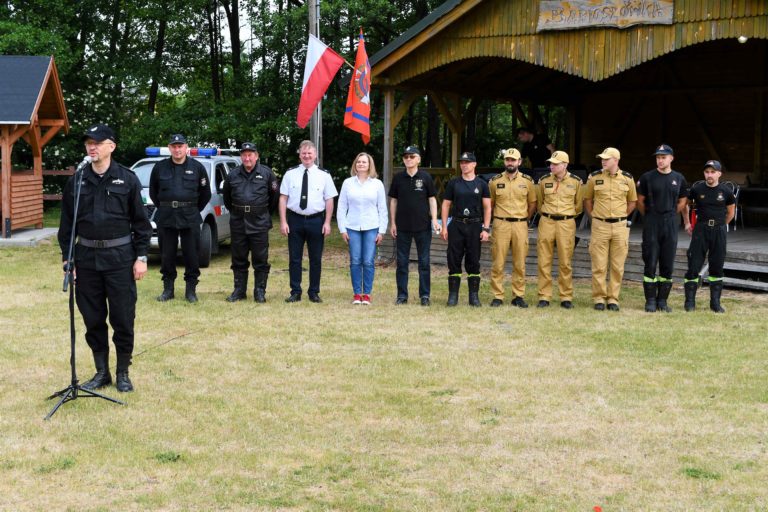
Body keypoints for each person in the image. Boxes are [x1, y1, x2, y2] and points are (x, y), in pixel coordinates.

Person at [58, 124, 151, 392]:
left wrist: (141, 256)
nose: (92, 146)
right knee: (92, 317)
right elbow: (67, 226)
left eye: (97, 142)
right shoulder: (76, 180)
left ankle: (123, 372)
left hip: (120, 258)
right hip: (86, 259)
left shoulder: (128, 179)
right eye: (89, 142)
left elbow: (141, 224)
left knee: (122, 317)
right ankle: (102, 372)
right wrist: (68, 259)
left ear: (111, 146)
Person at [149, 134, 211, 303]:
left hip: (190, 215)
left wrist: (191, 208)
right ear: (169, 148)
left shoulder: (197, 167)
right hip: (167, 215)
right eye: (174, 146)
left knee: (191, 254)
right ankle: (168, 290)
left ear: (186, 147)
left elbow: (205, 194)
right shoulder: (159, 167)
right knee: (167, 254)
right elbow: (153, 193)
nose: (177, 149)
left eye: (180, 146)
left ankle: (191, 291)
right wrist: (166, 205)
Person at [278, 140, 338, 303]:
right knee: (294, 258)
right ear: (299, 155)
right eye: (303, 153)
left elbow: (329, 200)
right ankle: (295, 291)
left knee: (315, 259)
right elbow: (283, 199)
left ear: (315, 155)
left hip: (316, 221)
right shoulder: (290, 174)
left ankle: (314, 292)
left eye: (309, 153)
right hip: (295, 220)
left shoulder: (324, 175)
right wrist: (283, 222)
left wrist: (327, 222)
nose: (306, 156)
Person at [222, 142, 279, 302]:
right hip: (238, 222)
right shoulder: (232, 175)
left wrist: (262, 213)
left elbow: (274, 197)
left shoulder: (267, 174)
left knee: (260, 259)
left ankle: (259, 292)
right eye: (244, 155)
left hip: (259, 222)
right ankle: (239, 291)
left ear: (256, 156)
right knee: (238, 258)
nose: (247, 158)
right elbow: (227, 199)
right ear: (241, 157)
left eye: (250, 154)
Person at [583, 147, 637, 311]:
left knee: (617, 265)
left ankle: (613, 299)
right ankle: (599, 298)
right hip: (600, 225)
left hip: (620, 227)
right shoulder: (594, 177)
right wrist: (595, 217)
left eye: (607, 158)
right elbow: (588, 200)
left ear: (616, 160)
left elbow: (632, 202)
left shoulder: (627, 178)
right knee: (599, 265)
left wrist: (621, 217)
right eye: (602, 158)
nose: (603, 161)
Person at [637, 144, 689, 312]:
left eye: (663, 157)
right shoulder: (647, 177)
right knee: (650, 260)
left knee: (667, 262)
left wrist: (673, 214)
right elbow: (640, 201)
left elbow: (683, 201)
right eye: (658, 157)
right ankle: (650, 301)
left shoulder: (679, 178)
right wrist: (651, 216)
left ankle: (662, 301)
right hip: (652, 221)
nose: (660, 160)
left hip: (670, 222)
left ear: (671, 158)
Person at [388, 145, 440, 306]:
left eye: (412, 156)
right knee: (402, 263)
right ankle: (402, 296)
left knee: (424, 263)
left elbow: (432, 199)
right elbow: (393, 200)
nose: (408, 159)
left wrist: (434, 220)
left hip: (423, 227)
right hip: (402, 227)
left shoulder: (425, 177)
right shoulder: (398, 178)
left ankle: (425, 296)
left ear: (418, 159)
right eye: (406, 157)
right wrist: (393, 223)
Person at [683, 160, 735, 313]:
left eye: (713, 172)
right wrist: (687, 223)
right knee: (693, 265)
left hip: (718, 231)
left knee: (717, 266)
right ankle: (690, 302)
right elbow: (685, 204)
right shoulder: (697, 189)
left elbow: (731, 213)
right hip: (701, 229)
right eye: (707, 172)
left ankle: (715, 303)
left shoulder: (726, 191)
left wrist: (720, 225)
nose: (709, 175)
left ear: (719, 173)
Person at [441, 151, 492, 307]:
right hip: (456, 225)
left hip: (475, 225)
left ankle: (474, 297)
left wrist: (486, 229)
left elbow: (488, 208)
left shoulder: (482, 184)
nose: (464, 165)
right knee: (454, 259)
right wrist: (444, 226)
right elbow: (446, 204)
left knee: (473, 260)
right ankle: (453, 296)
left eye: (467, 162)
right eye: (462, 162)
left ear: (474, 164)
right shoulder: (454, 183)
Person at [337, 153, 388, 305]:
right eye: (358, 161)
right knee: (355, 260)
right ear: (355, 164)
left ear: (369, 165)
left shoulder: (377, 184)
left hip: (371, 226)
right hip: (352, 226)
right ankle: (357, 294)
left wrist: (382, 231)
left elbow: (382, 209)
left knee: (368, 261)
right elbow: (341, 207)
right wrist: (342, 229)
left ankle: (367, 294)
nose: (361, 164)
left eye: (364, 162)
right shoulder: (348, 183)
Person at [488, 148, 536, 308]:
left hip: (520, 224)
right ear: (504, 161)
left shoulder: (528, 181)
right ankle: (497, 295)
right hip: (500, 224)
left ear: (519, 162)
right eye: (508, 159)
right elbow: (491, 204)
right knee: (498, 262)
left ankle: (518, 295)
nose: (510, 162)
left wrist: (524, 219)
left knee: (520, 262)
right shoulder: (494, 181)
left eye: (513, 160)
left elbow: (532, 204)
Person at [535, 150, 583, 309]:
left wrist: (565, 216)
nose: (551, 166)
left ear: (565, 165)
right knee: (544, 260)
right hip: (547, 221)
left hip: (566, 223)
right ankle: (544, 296)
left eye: (555, 164)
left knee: (565, 262)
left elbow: (579, 206)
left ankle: (566, 297)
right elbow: (540, 204)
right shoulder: (543, 181)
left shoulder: (576, 182)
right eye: (551, 163)